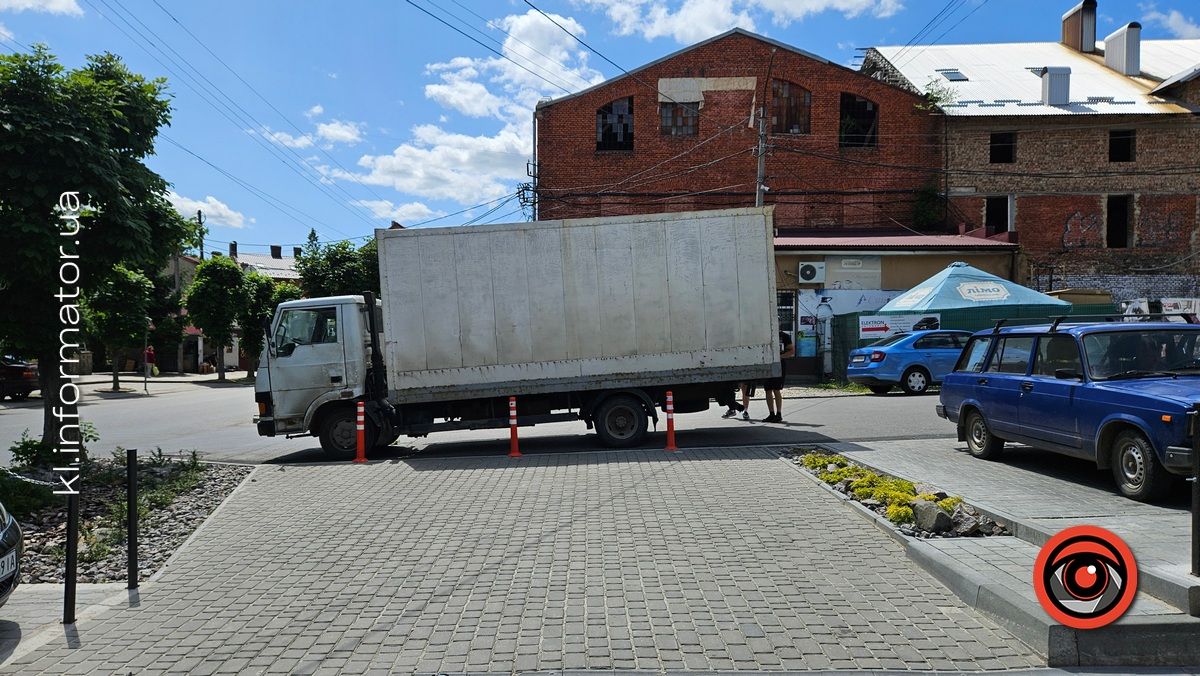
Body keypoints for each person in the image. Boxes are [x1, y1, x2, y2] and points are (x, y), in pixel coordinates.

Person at [762, 330, 795, 423]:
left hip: (779, 365)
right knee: (767, 389)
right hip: (767, 364)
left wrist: (781, 357)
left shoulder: (784, 336)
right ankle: (771, 414)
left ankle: (779, 414)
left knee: (776, 389)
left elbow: (792, 351)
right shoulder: (765, 334)